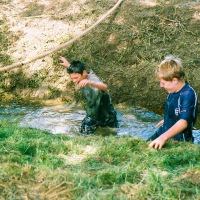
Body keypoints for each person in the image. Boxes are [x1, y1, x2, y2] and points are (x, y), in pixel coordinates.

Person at [148, 55, 198, 149]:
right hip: (164, 130)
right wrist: (169, 119)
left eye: (163, 83)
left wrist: (163, 138)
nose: (161, 86)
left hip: (179, 140)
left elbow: (183, 122)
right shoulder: (172, 91)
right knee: (143, 146)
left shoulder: (188, 94)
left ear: (174, 80)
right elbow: (176, 110)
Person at [59, 56, 118, 134]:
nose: (74, 81)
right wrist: (68, 65)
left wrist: (90, 83)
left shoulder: (93, 80)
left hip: (107, 117)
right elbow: (76, 71)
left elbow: (105, 87)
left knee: (109, 134)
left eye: (76, 78)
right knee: (84, 133)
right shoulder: (81, 74)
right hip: (93, 115)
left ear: (84, 73)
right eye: (72, 78)